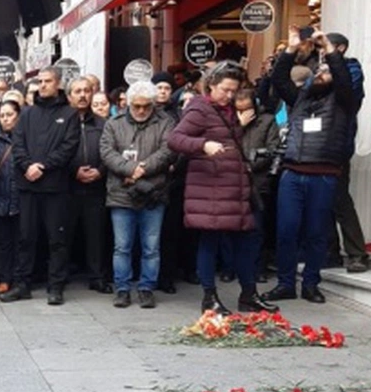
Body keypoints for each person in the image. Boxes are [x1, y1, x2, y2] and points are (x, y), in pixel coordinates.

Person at [168, 61, 276, 314]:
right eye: (225, 90)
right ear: (212, 85)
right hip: (211, 189)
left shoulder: (227, 111)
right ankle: (210, 299)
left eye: (234, 91)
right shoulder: (199, 108)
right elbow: (174, 139)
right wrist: (203, 145)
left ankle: (249, 294)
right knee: (210, 241)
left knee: (246, 241)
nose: (229, 96)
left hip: (234, 188)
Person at [261, 30, 359, 306]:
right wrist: (291, 49)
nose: (321, 73)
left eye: (326, 71)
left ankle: (312, 283)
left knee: (317, 234)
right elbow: (280, 80)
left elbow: (342, 78)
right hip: (293, 173)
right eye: (318, 70)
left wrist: (328, 49)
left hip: (324, 175)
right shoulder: (300, 99)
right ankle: (285, 283)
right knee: (286, 231)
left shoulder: (343, 102)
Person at [1, 66, 80, 305]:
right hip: (28, 186)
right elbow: (18, 143)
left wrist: (43, 166)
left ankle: (55, 286)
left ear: (58, 84)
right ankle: (23, 284)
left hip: (55, 187)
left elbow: (68, 147)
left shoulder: (69, 114)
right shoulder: (26, 113)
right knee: (26, 238)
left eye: (48, 81)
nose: (43, 85)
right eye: (40, 81)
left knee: (57, 239)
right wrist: (27, 166)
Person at [100, 81, 176, 308]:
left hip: (154, 192)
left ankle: (146, 287)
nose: (141, 110)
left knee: (151, 246)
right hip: (121, 193)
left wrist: (143, 168)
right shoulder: (114, 123)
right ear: (129, 104)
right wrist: (129, 169)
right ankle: (122, 288)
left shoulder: (165, 122)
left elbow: (168, 150)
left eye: (146, 106)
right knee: (122, 246)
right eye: (137, 106)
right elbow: (106, 151)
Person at [323, 32, 369, 273]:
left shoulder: (351, 68)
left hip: (338, 143)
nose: (321, 50)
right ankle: (330, 251)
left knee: (340, 199)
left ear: (340, 48)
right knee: (322, 202)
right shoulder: (316, 69)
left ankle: (356, 252)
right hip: (316, 143)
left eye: (326, 46)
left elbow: (347, 93)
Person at [63, 77, 111, 294]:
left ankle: (97, 277)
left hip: (96, 188)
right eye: (77, 91)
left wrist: (100, 171)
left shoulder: (103, 124)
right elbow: (56, 153)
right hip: (68, 188)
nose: (82, 95)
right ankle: (60, 276)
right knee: (64, 234)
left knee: (96, 235)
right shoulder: (61, 122)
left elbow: (111, 151)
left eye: (86, 91)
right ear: (69, 95)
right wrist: (74, 171)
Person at [234, 86, 282, 273]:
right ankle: (232, 267)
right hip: (234, 180)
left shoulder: (267, 121)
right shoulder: (231, 122)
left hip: (258, 181)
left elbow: (272, 148)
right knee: (233, 228)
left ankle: (258, 267)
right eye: (239, 109)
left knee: (257, 227)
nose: (243, 113)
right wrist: (239, 126)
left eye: (247, 109)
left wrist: (250, 166)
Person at [0, 100, 21, 294]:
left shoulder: (26, 137)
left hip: (21, 197)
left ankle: (20, 277)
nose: (5, 119)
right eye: (2, 115)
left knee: (21, 241)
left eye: (9, 114)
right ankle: (4, 278)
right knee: (2, 242)